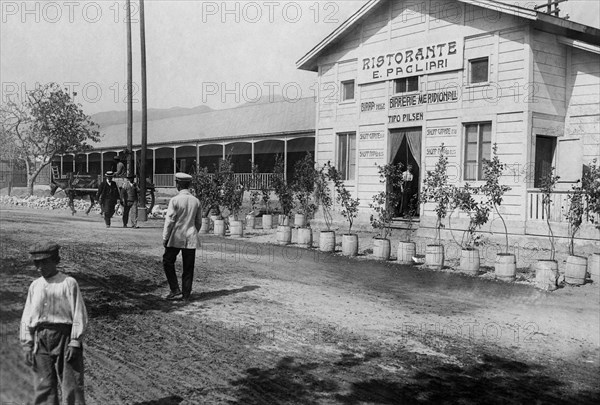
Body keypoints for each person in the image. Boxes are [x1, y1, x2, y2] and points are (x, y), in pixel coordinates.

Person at [20, 242, 88, 405]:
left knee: (71, 385)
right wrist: (27, 343)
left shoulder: (68, 283)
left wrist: (74, 341)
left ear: (55, 261)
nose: (40, 267)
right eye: (37, 263)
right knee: (44, 385)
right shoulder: (35, 286)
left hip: (64, 337)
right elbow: (27, 316)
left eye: (45, 262)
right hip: (40, 339)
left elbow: (79, 313)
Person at [162, 173, 203, 301]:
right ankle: (186, 295)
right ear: (189, 185)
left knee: (167, 261)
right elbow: (199, 222)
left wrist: (165, 237)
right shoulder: (196, 201)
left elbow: (169, 221)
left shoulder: (175, 200)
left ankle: (174, 289)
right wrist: (193, 231)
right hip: (191, 236)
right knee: (188, 266)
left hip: (177, 236)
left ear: (178, 184)